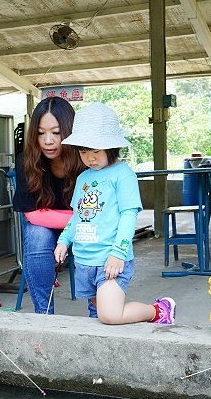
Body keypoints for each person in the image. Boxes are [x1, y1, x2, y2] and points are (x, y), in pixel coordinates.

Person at [53, 102, 176, 325]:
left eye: (96, 151)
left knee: (110, 315)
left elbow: (129, 215)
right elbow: (77, 216)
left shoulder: (123, 174)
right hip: (84, 260)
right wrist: (63, 241)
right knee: (97, 314)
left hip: (110, 258)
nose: (90, 158)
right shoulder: (83, 178)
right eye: (83, 151)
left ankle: (158, 310)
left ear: (111, 147)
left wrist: (118, 253)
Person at [12, 96, 84, 314]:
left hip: (84, 228)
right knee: (37, 235)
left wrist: (83, 222)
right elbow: (32, 215)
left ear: (69, 130)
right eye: (41, 133)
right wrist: (79, 218)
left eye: (56, 132)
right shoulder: (27, 161)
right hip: (61, 224)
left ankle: (98, 312)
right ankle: (43, 315)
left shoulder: (86, 159)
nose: (48, 141)